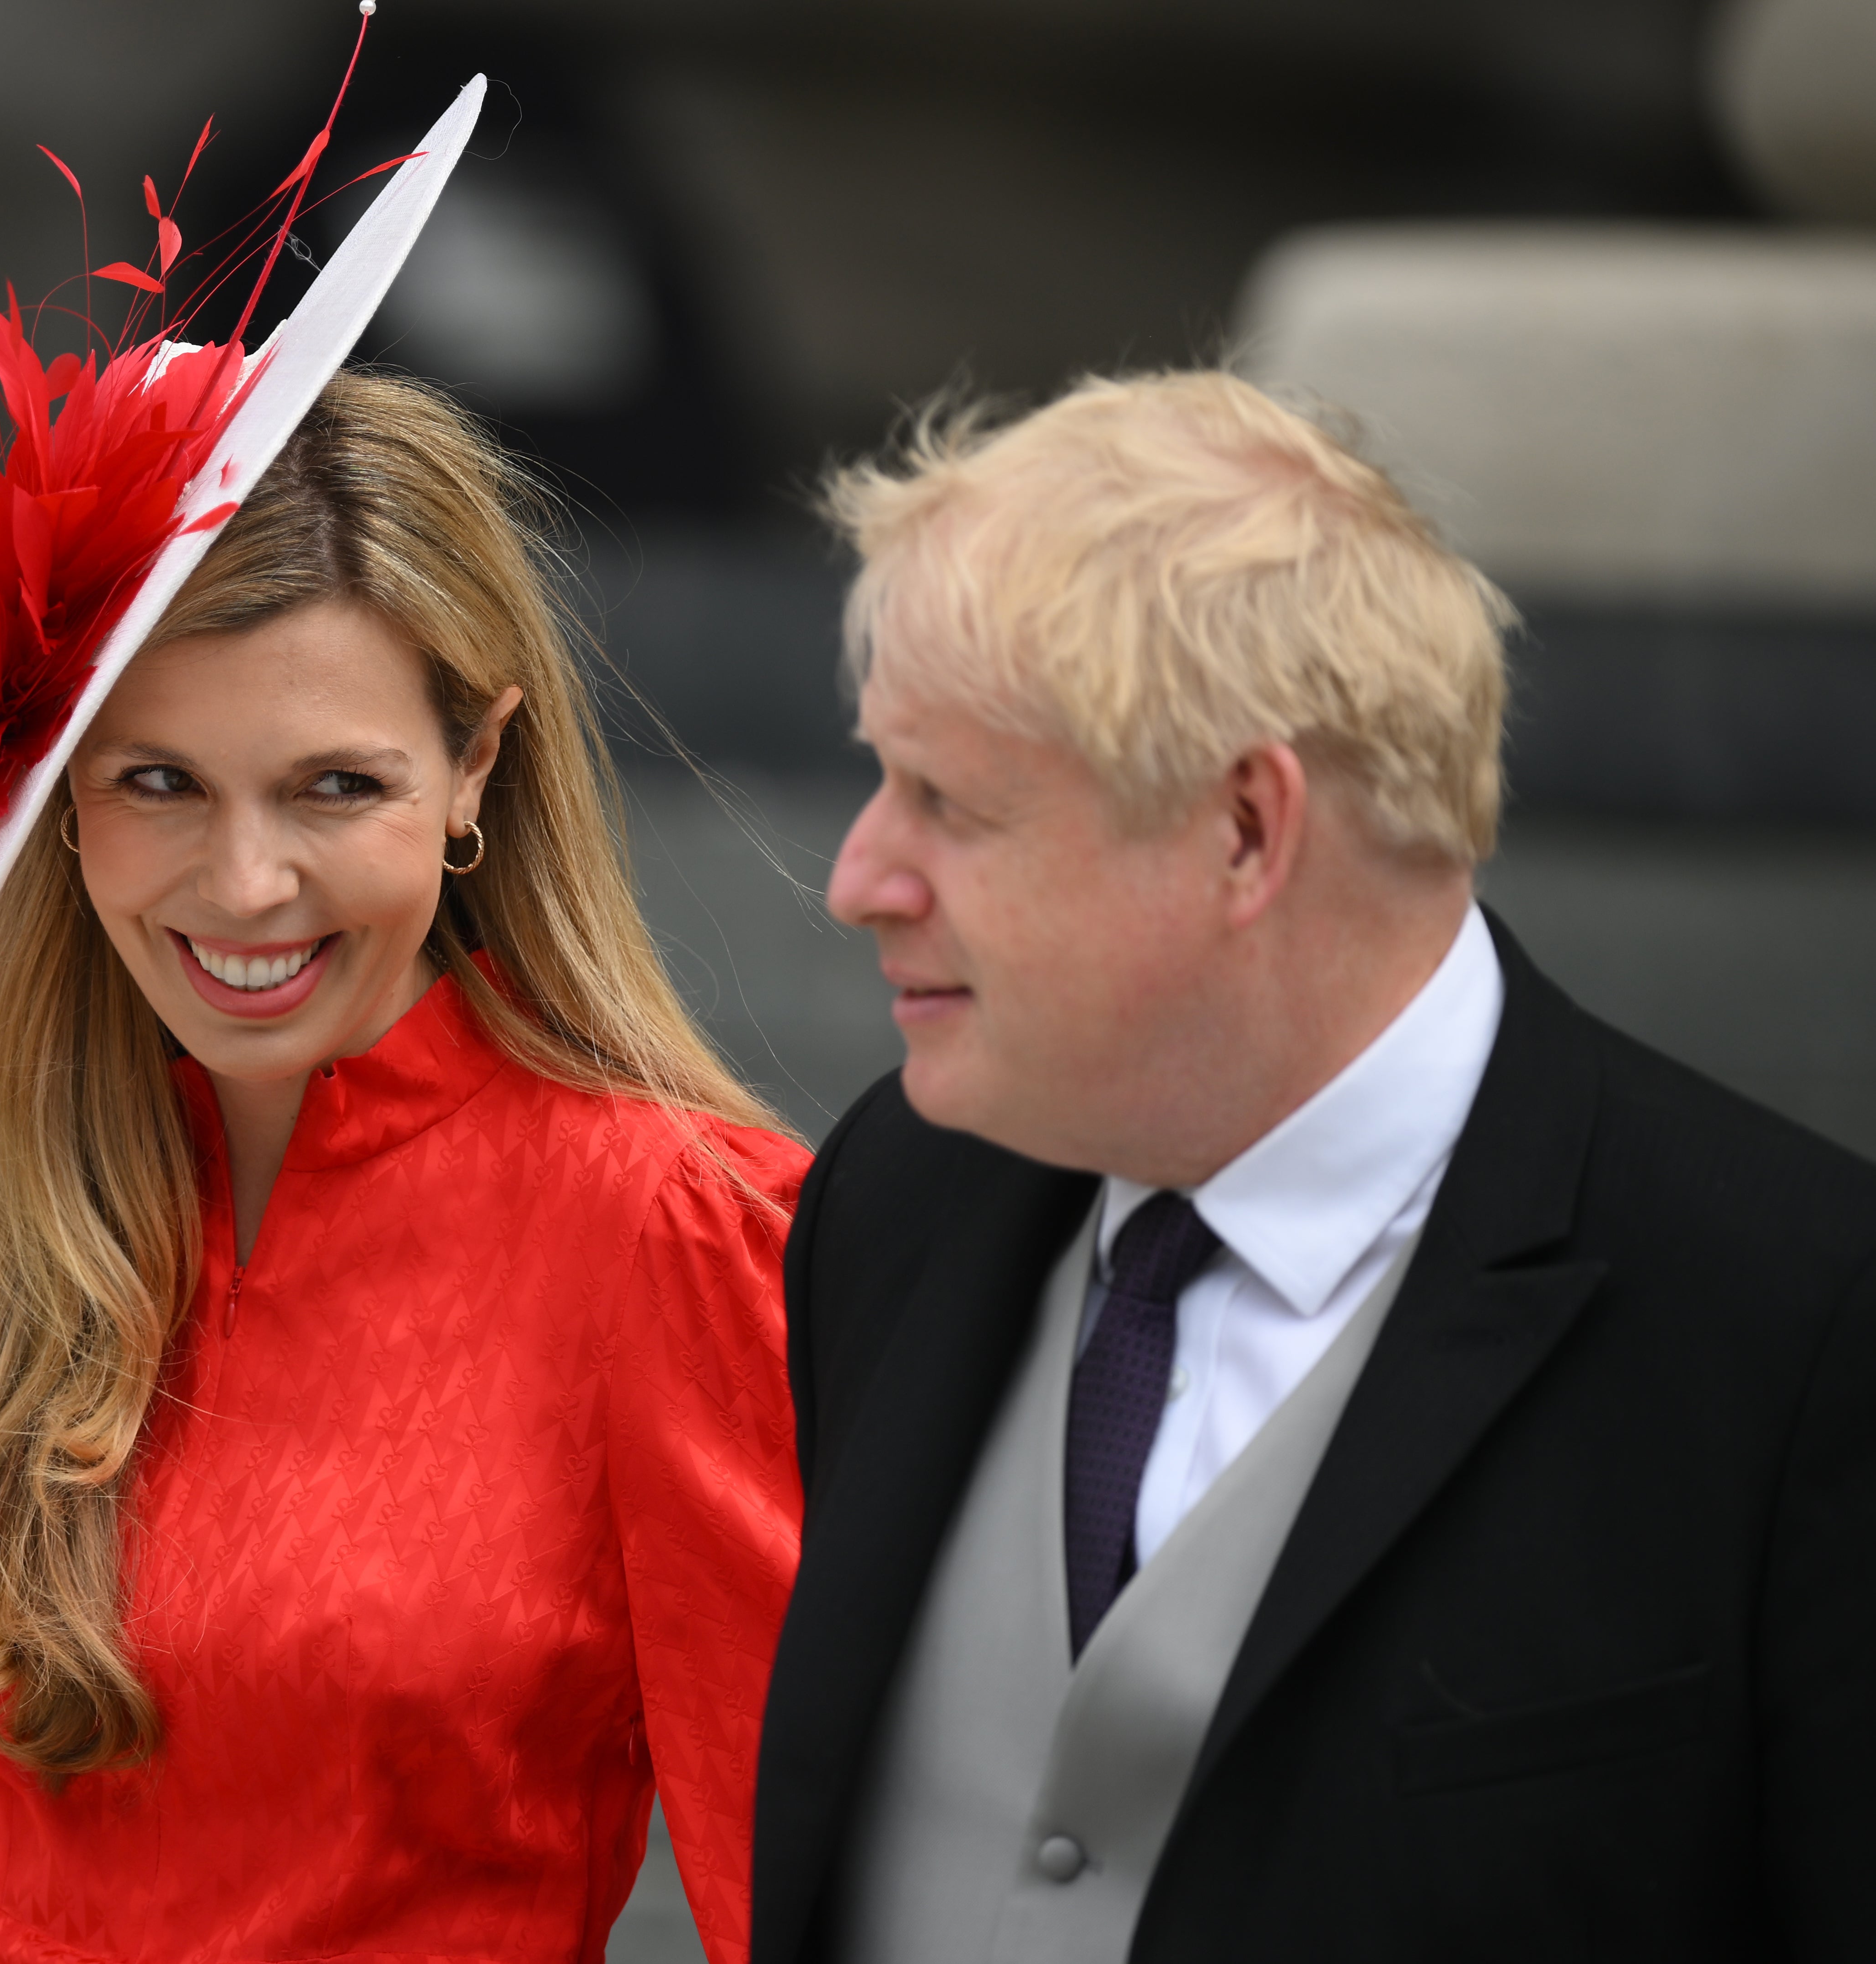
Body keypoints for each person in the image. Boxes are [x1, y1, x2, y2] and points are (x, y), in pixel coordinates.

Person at [0, 364, 808, 1963]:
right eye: (159, 781)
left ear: (475, 771)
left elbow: (811, 1874)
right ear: (59, 793)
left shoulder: (672, 1229)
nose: (245, 885)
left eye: (336, 788)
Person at [754, 372, 1876, 1964]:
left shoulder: (1802, 1331)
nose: (860, 876)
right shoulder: (895, 1196)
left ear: (1244, 830)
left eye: (950, 802)